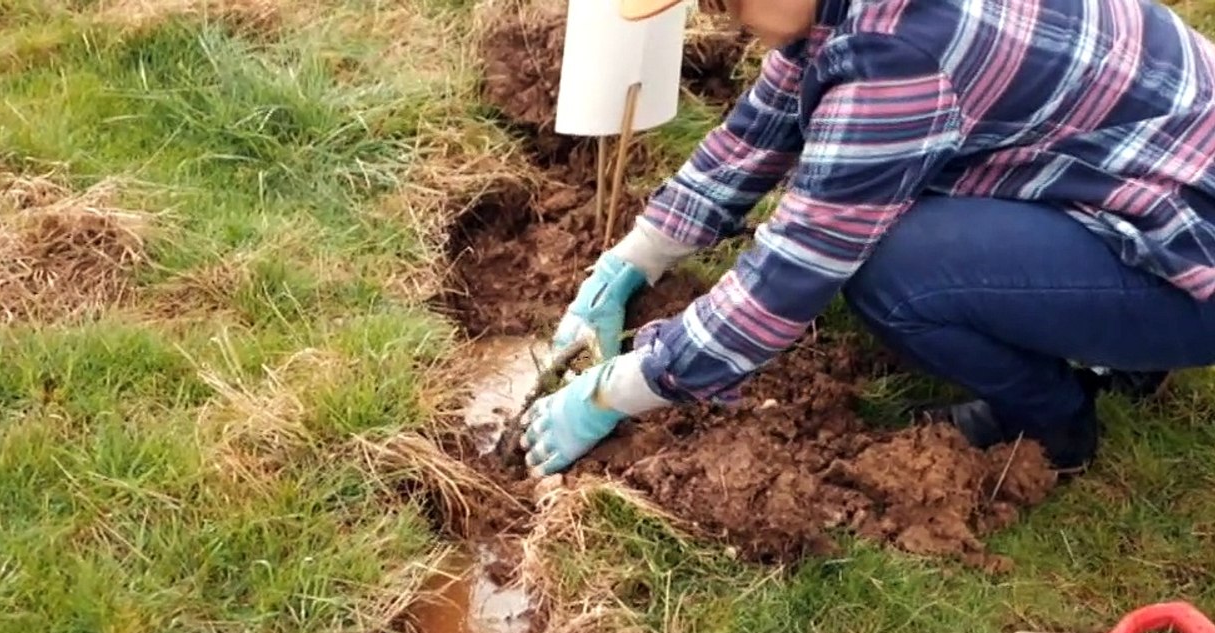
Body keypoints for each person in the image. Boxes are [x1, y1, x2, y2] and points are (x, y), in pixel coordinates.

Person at [520, 0, 1215, 478]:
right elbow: (762, 128)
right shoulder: (844, 14)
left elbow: (792, 274)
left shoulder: (898, 53)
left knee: (891, 268)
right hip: (1157, 182)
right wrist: (634, 257)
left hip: (1191, 253)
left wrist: (617, 391)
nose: (720, 16)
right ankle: (1116, 339)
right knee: (902, 202)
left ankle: (1050, 424)